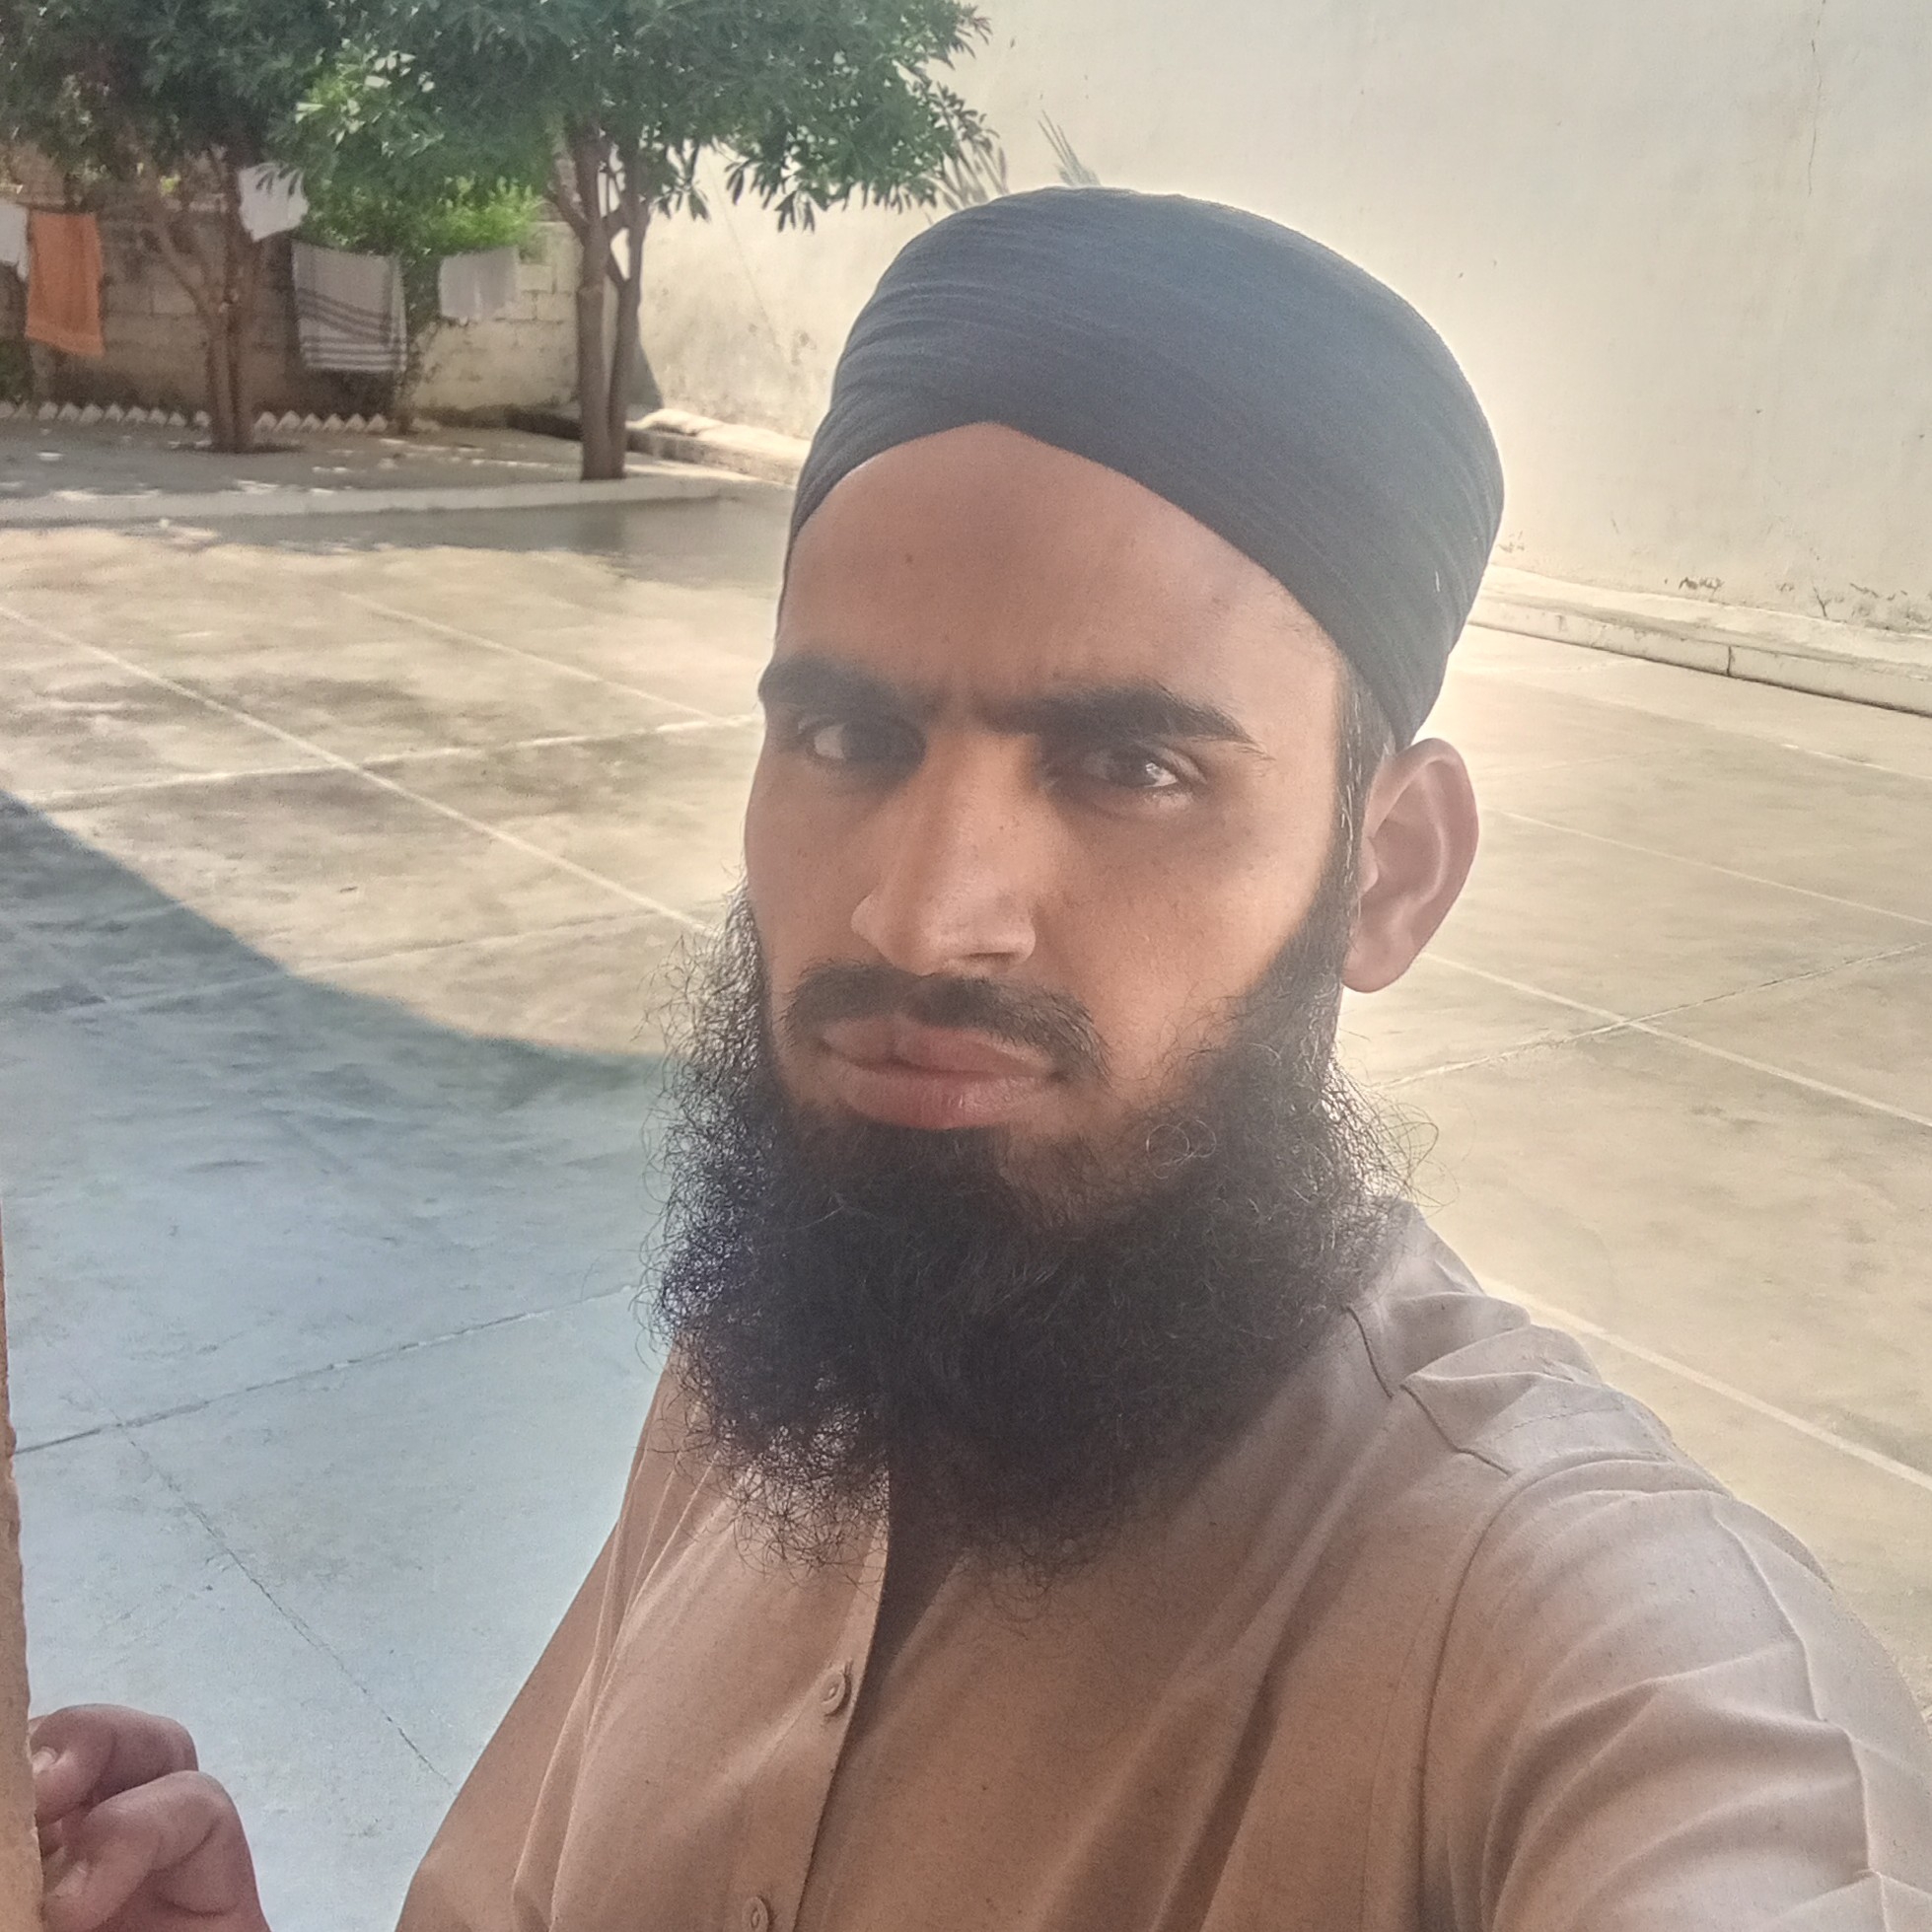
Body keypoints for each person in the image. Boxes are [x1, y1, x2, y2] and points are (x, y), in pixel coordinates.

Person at [30, 188, 1932, 1932]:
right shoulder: (785, 1359)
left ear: (1390, 873)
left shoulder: (1606, 1670)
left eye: (1130, 765)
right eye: (849, 737)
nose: (922, 915)